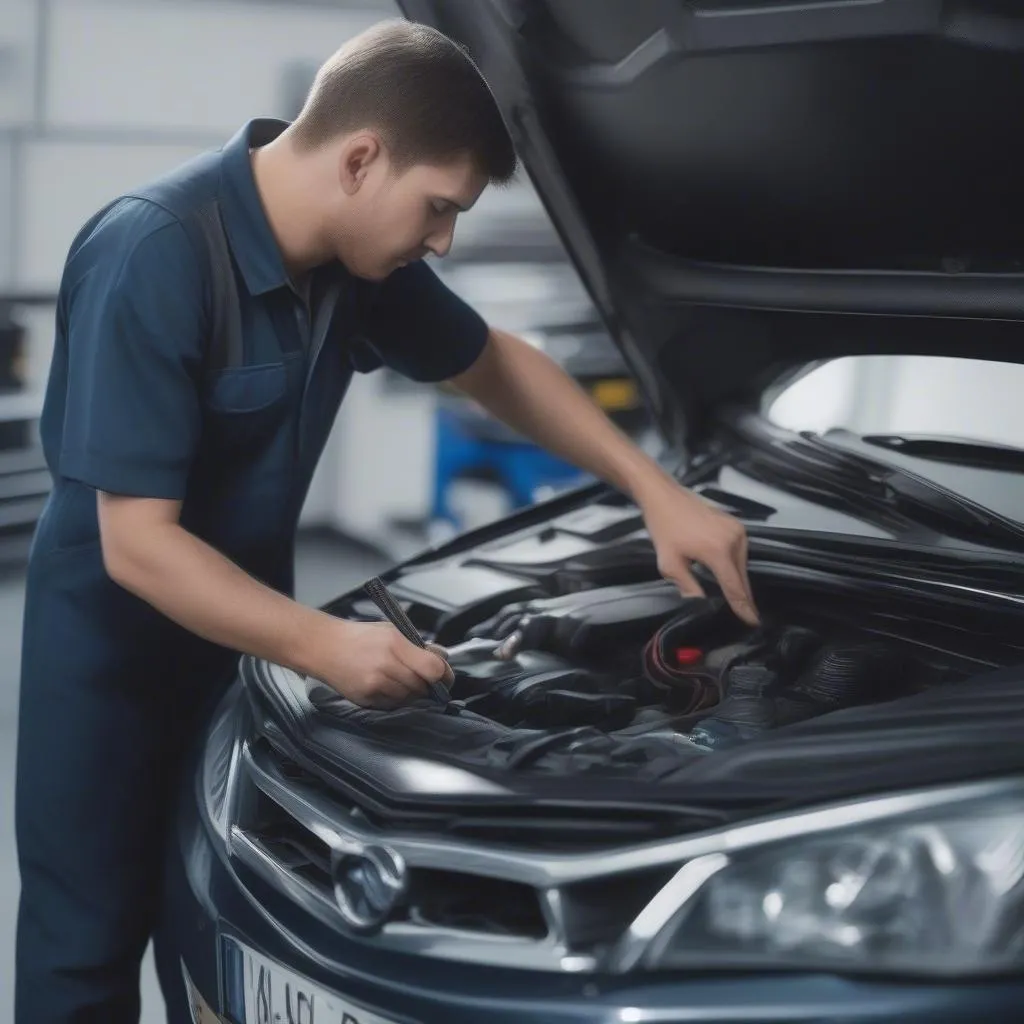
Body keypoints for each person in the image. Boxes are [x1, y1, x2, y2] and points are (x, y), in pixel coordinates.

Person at [14, 17, 759, 1024]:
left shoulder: (356, 271)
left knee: (211, 912)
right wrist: (326, 643)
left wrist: (655, 486)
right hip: (110, 663)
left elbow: (490, 360)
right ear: (362, 159)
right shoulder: (154, 250)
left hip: (235, 650)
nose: (443, 238)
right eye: (438, 206)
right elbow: (137, 543)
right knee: (85, 949)